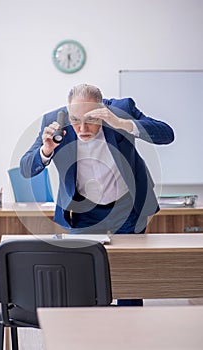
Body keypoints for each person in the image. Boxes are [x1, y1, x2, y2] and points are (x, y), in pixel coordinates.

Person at [20, 83, 174, 306]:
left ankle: (130, 330)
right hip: (85, 209)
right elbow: (26, 168)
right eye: (75, 120)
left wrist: (123, 124)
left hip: (127, 206)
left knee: (128, 274)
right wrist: (46, 151)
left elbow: (167, 134)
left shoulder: (121, 110)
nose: (82, 128)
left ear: (102, 111)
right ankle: (90, 330)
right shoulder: (53, 122)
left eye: (91, 120)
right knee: (82, 274)